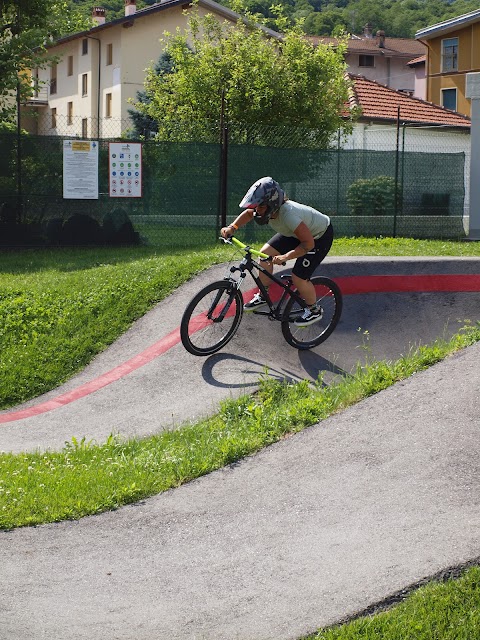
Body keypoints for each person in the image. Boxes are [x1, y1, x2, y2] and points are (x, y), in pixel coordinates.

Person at [220, 176, 333, 327]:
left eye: (260, 207)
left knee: (299, 277)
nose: (257, 211)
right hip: (295, 233)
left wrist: (286, 256)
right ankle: (263, 295)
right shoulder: (265, 209)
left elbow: (308, 243)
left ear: (272, 204)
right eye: (256, 207)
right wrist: (232, 227)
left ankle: (314, 310)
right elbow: (248, 213)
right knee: (265, 254)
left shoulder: (288, 215)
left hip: (318, 237)